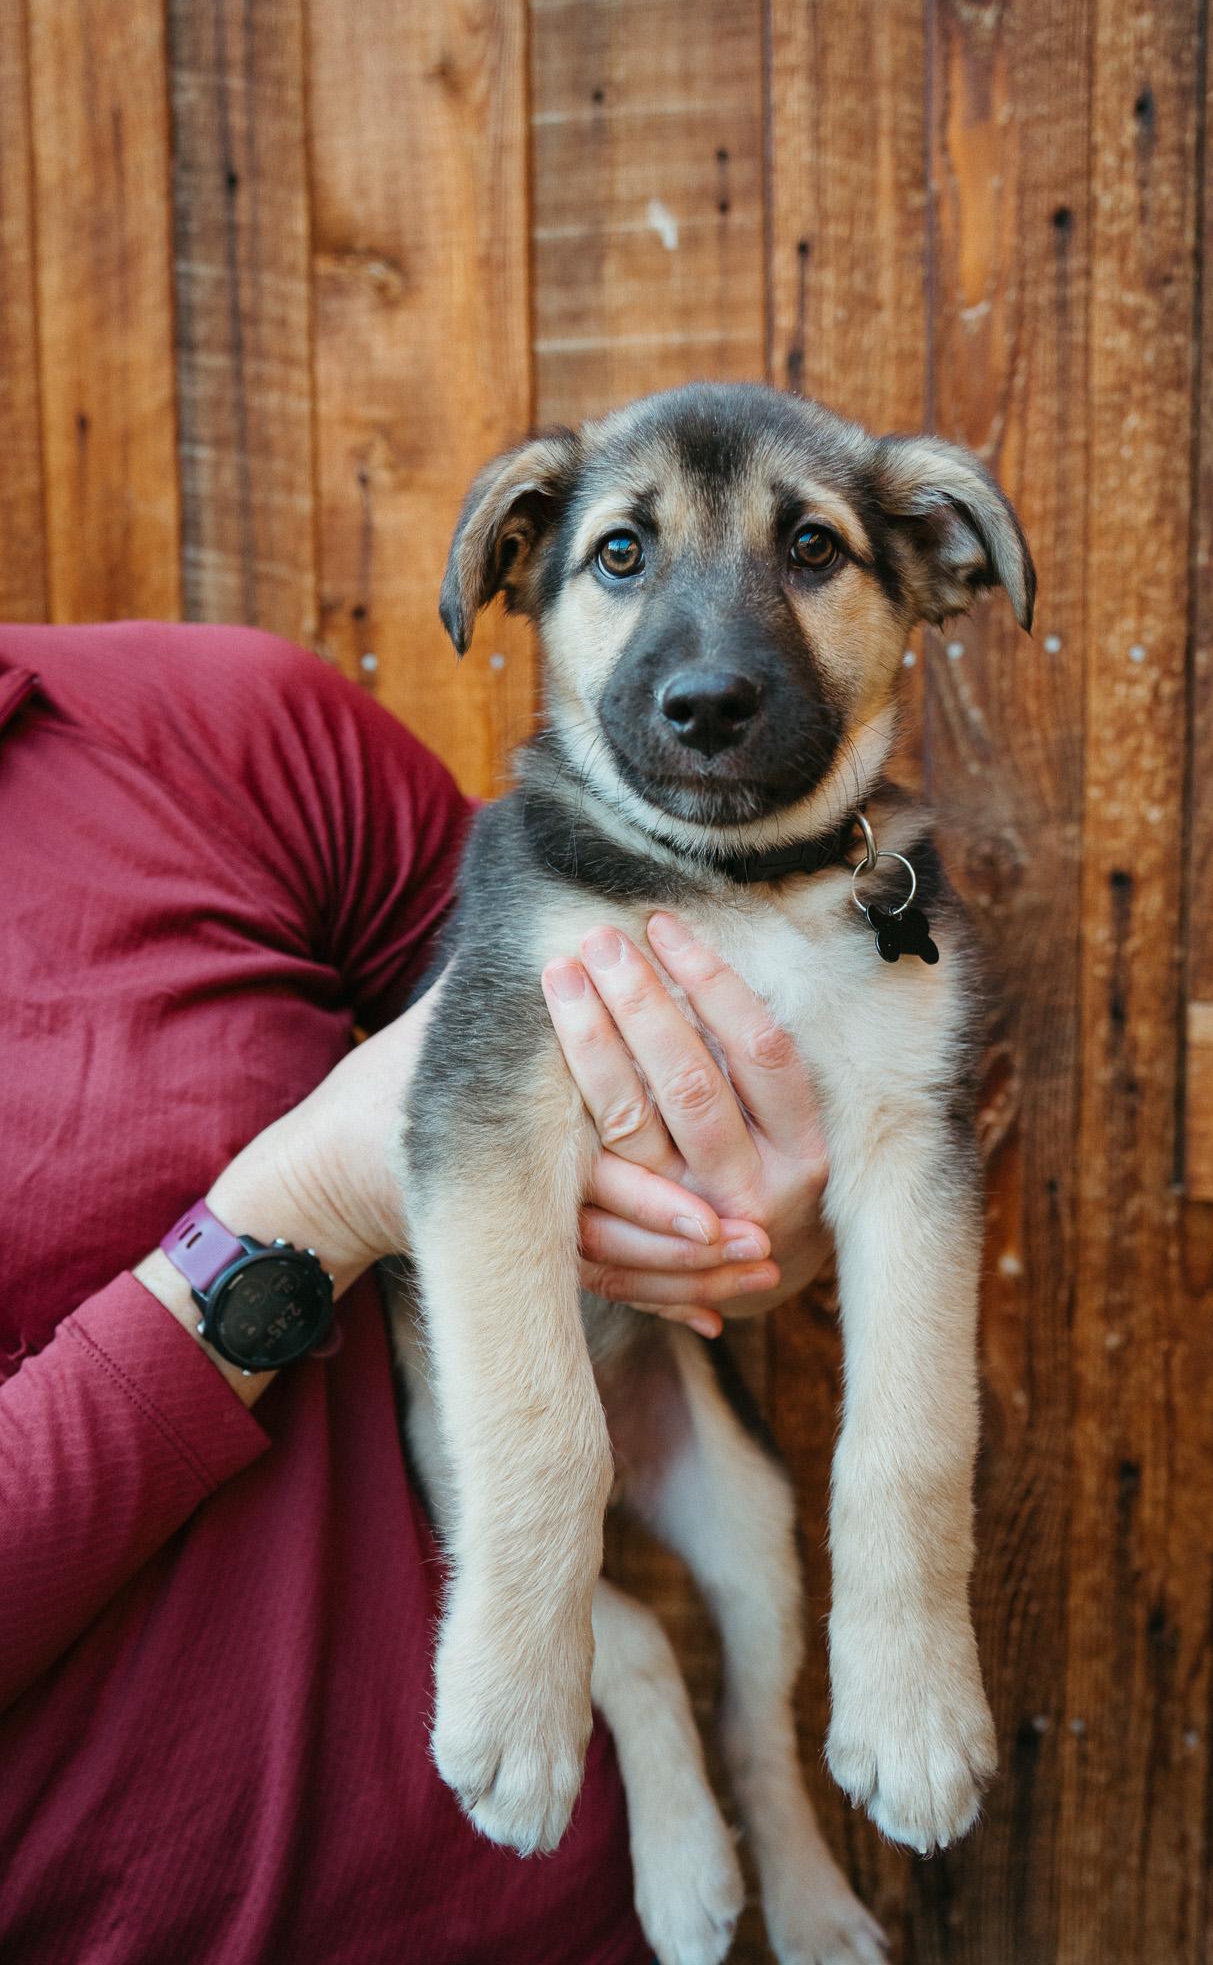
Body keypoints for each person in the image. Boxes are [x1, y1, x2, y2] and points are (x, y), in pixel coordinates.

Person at [0, 620, 829, 1965]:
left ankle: (770, 1804)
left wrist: (745, 1211)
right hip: (110, 1926)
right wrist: (307, 1208)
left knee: (752, 1545)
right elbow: (388, 1150)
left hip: (535, 1899)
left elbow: (597, 1011)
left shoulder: (220, 723)